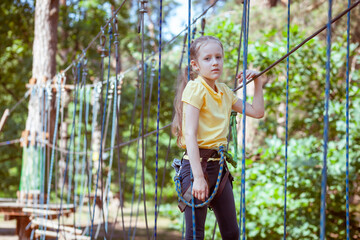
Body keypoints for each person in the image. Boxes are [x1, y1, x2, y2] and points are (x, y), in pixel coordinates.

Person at [172, 35, 265, 240]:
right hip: (197, 166)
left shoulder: (224, 91)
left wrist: (257, 82)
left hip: (219, 168)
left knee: (231, 233)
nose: (215, 62)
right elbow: (190, 134)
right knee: (196, 234)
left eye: (218, 57)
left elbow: (257, 112)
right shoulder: (195, 88)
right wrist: (197, 177)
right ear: (195, 65)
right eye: (208, 59)